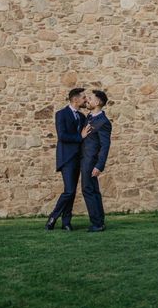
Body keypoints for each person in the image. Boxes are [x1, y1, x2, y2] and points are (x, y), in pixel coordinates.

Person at [45, 88, 91, 231]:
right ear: (75, 99)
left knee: (71, 191)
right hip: (66, 158)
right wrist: (80, 137)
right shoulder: (61, 114)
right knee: (69, 191)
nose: (86, 100)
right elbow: (62, 136)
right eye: (84, 98)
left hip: (79, 158)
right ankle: (53, 217)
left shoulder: (83, 117)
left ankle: (66, 222)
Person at [80, 90, 112, 232]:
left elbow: (105, 146)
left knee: (88, 190)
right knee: (93, 191)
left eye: (90, 98)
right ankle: (99, 221)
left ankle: (97, 224)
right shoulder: (89, 117)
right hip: (84, 159)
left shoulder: (103, 122)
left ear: (98, 102)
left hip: (91, 161)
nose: (87, 100)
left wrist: (99, 166)